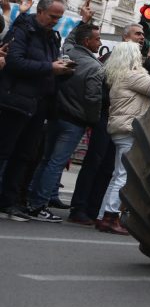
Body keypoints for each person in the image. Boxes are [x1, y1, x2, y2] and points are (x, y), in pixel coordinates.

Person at [95, 42, 150, 234]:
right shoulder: (131, 75)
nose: (141, 57)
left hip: (121, 130)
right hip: (128, 130)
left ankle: (103, 216)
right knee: (124, 176)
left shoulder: (123, 75)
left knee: (118, 175)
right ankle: (110, 217)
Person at [0, 0, 73, 221]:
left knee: (24, 155)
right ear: (40, 11)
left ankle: (9, 202)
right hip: (15, 102)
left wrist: (62, 70)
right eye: (52, 16)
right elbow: (14, 62)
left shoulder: (52, 37)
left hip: (38, 104)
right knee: (4, 152)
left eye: (59, 18)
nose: (55, 21)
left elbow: (47, 66)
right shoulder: (23, 30)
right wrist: (49, 67)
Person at [21, 23, 104, 222]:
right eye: (97, 39)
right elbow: (93, 98)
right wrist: (93, 120)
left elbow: (69, 40)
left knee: (46, 160)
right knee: (55, 163)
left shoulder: (67, 53)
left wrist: (83, 21)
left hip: (56, 115)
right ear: (87, 41)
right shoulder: (94, 67)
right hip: (74, 121)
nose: (100, 43)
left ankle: (31, 199)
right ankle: (38, 205)